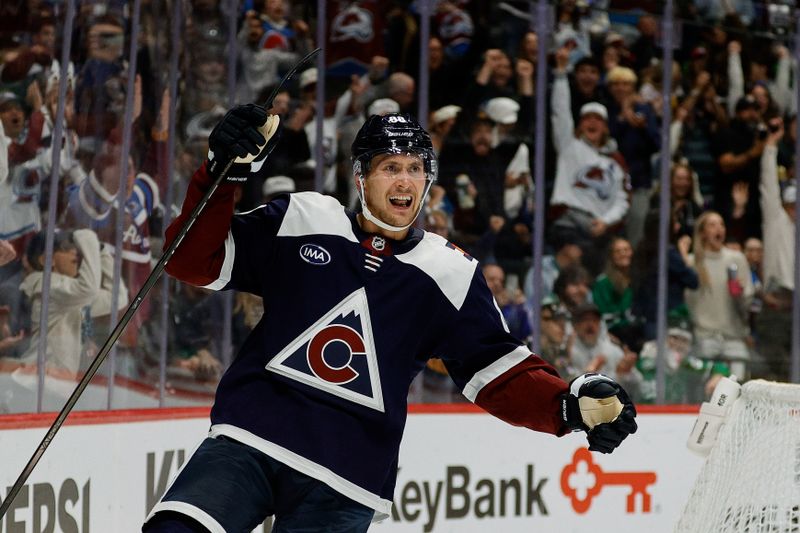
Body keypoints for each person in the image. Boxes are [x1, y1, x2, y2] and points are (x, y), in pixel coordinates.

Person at [143, 107, 637, 532]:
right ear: (361, 176)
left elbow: (498, 372)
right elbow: (191, 260)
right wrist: (222, 173)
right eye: (389, 167)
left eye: (415, 168)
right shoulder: (305, 217)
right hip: (248, 438)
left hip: (345, 476)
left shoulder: (450, 273)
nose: (404, 180)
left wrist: (569, 405)